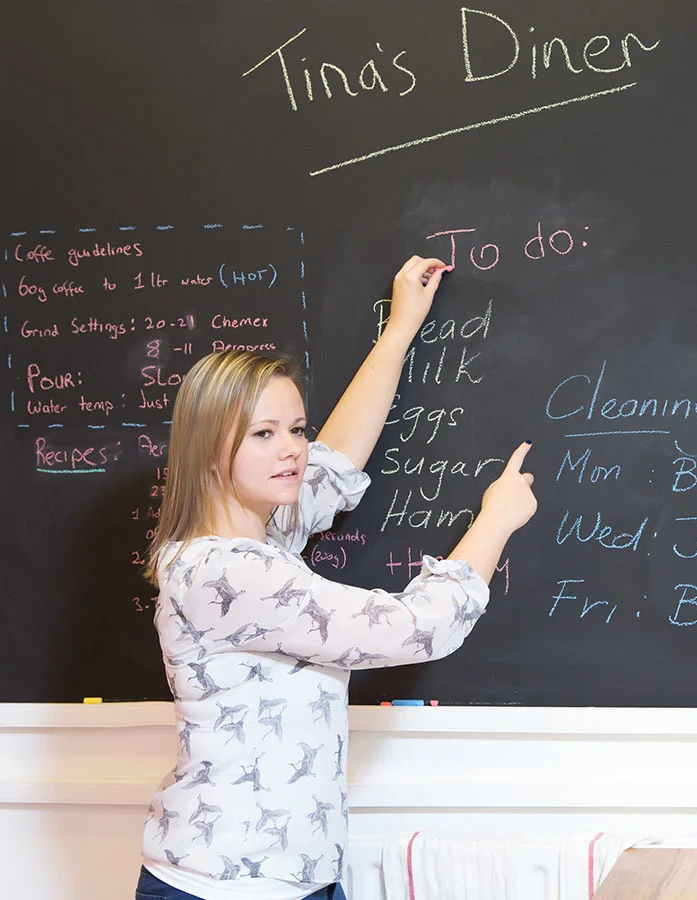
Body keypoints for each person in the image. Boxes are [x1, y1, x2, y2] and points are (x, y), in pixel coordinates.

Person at [135, 255, 537, 900]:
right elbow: (416, 628)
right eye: (263, 434)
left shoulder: (260, 536)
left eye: (294, 427)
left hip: (291, 875)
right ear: (212, 448)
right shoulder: (229, 573)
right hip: (230, 885)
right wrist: (497, 519)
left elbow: (336, 460)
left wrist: (401, 327)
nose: (291, 447)